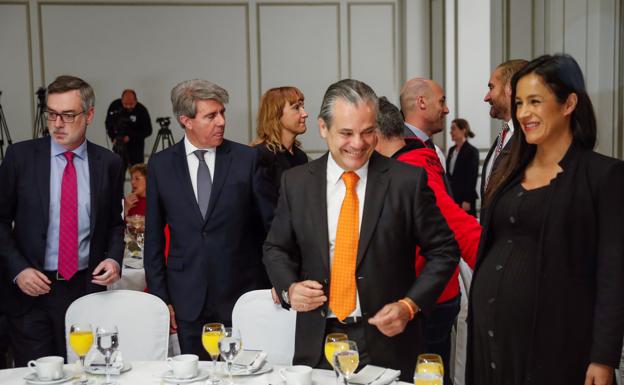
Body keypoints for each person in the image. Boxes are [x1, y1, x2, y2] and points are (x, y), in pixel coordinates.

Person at [263, 79, 460, 381]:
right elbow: (276, 248)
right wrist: (289, 288)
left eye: (368, 132)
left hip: (387, 343)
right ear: (323, 128)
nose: (358, 143)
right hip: (318, 343)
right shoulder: (296, 182)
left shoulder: (407, 181)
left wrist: (409, 306)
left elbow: (444, 251)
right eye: (346, 133)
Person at [467, 54, 624, 385]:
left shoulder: (603, 176)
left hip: (557, 346)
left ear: (568, 104)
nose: (524, 113)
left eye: (535, 101)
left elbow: (613, 273)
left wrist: (603, 357)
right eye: (520, 102)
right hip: (490, 342)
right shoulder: (509, 169)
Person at [144, 79, 274, 360]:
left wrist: (277, 283)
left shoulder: (246, 159)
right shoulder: (160, 165)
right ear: (186, 120)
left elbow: (270, 227)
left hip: (242, 293)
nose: (221, 122)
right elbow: (153, 239)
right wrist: (161, 298)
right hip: (187, 296)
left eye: (222, 113)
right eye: (211, 116)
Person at [0, 75, 125, 365]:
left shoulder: (109, 163)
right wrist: (19, 270)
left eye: (68, 115)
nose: (57, 123)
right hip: (32, 292)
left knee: (87, 373)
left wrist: (114, 259)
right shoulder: (20, 157)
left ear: (89, 115)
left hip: (86, 290)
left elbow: (115, 224)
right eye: (52, 114)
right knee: (42, 377)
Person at [375, 97, 481, 385]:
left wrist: (497, 273)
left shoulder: (412, 168)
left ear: (374, 134)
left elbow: (458, 226)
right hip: (428, 293)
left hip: (427, 296)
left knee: (427, 374)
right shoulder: (415, 158)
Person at [251, 86, 309, 205]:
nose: (305, 114)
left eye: (303, 107)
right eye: (296, 107)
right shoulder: (260, 156)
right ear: (276, 114)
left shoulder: (301, 157)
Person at [481, 59, 528, 200]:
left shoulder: (530, 139)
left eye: (491, 87)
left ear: (511, 88)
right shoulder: (504, 135)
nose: (486, 97)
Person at [400, 77, 450, 171]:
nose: (446, 110)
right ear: (422, 102)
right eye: (441, 102)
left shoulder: (430, 147)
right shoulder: (400, 148)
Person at [105, 89, 153, 168]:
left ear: (136, 101)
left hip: (136, 148)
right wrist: (113, 137)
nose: (128, 106)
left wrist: (130, 137)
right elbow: (108, 123)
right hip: (119, 146)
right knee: (118, 174)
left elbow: (148, 130)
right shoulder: (115, 106)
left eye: (131, 104)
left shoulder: (141, 110)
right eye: (125, 104)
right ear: (121, 100)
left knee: (137, 172)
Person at [447, 118, 479, 216]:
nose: (450, 132)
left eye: (453, 128)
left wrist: (467, 200)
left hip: (465, 199)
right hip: (453, 197)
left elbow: (472, 177)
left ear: (463, 130)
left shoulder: (472, 151)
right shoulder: (451, 150)